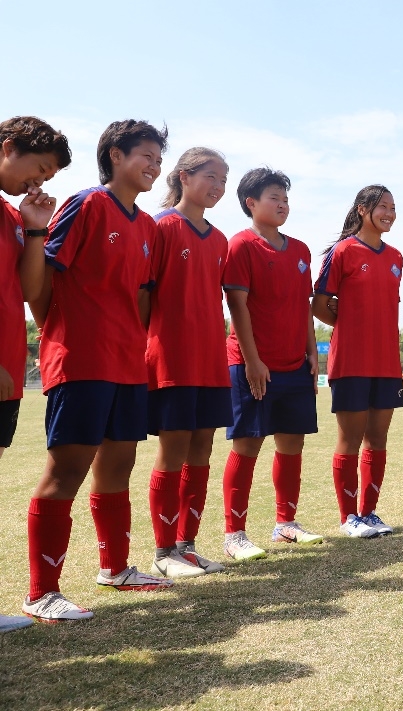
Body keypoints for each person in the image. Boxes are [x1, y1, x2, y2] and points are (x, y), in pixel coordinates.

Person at [26, 120, 172, 624]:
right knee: (66, 471)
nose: (154, 166)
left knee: (118, 467)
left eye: (158, 158)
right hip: (82, 359)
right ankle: (42, 592)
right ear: (115, 155)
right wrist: (57, 335)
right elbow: (42, 278)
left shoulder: (149, 226)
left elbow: (140, 296)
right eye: (145, 156)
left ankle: (115, 569)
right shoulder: (86, 204)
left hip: (126, 363)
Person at [221, 168, 324, 562]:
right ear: (251, 203)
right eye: (273, 198)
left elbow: (303, 307)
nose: (282, 205)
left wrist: (311, 353)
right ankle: (235, 534)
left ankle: (286, 524)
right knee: (248, 444)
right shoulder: (241, 245)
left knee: (291, 442)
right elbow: (237, 305)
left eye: (285, 199)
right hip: (253, 365)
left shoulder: (299, 250)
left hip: (293, 364)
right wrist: (252, 361)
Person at [145, 148, 233, 579]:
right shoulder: (160, 227)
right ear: (184, 176)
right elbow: (142, 297)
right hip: (172, 359)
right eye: (211, 177)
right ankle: (163, 553)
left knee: (202, 450)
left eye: (224, 181)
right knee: (173, 450)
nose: (218, 187)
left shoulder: (219, 240)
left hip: (210, 360)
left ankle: (187, 545)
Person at [0, 116, 70, 630]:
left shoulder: (11, 214)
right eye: (38, 168)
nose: (40, 182)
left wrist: (35, 228)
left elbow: (27, 290)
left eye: (48, 176)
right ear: (8, 148)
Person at [313, 185, 403, 539]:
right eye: (383, 207)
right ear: (363, 210)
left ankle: (369, 513)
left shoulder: (396, 256)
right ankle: (348, 516)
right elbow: (319, 306)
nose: (389, 213)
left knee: (377, 439)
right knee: (350, 439)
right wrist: (353, 324)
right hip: (350, 361)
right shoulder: (343, 252)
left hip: (386, 364)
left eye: (393, 208)